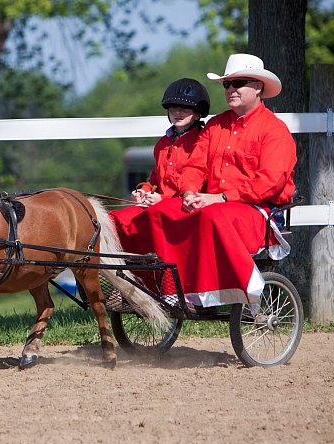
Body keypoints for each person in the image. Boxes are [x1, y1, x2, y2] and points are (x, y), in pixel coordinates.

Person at [119, 53, 297, 307]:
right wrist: (190, 192)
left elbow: (269, 183)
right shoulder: (216, 125)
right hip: (214, 204)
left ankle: (228, 291)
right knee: (161, 209)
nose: (231, 89)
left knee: (209, 216)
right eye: (227, 84)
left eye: (239, 83)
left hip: (258, 211)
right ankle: (162, 289)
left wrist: (221, 197)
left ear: (258, 87)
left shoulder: (274, 131)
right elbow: (195, 167)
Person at [109, 78, 210, 255]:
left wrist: (162, 201)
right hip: (159, 207)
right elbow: (155, 178)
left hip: (185, 210)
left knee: (143, 222)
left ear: (197, 113)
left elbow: (196, 186)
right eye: (173, 108)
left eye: (184, 109)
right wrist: (145, 190)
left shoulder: (202, 142)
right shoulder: (162, 144)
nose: (177, 113)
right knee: (114, 221)